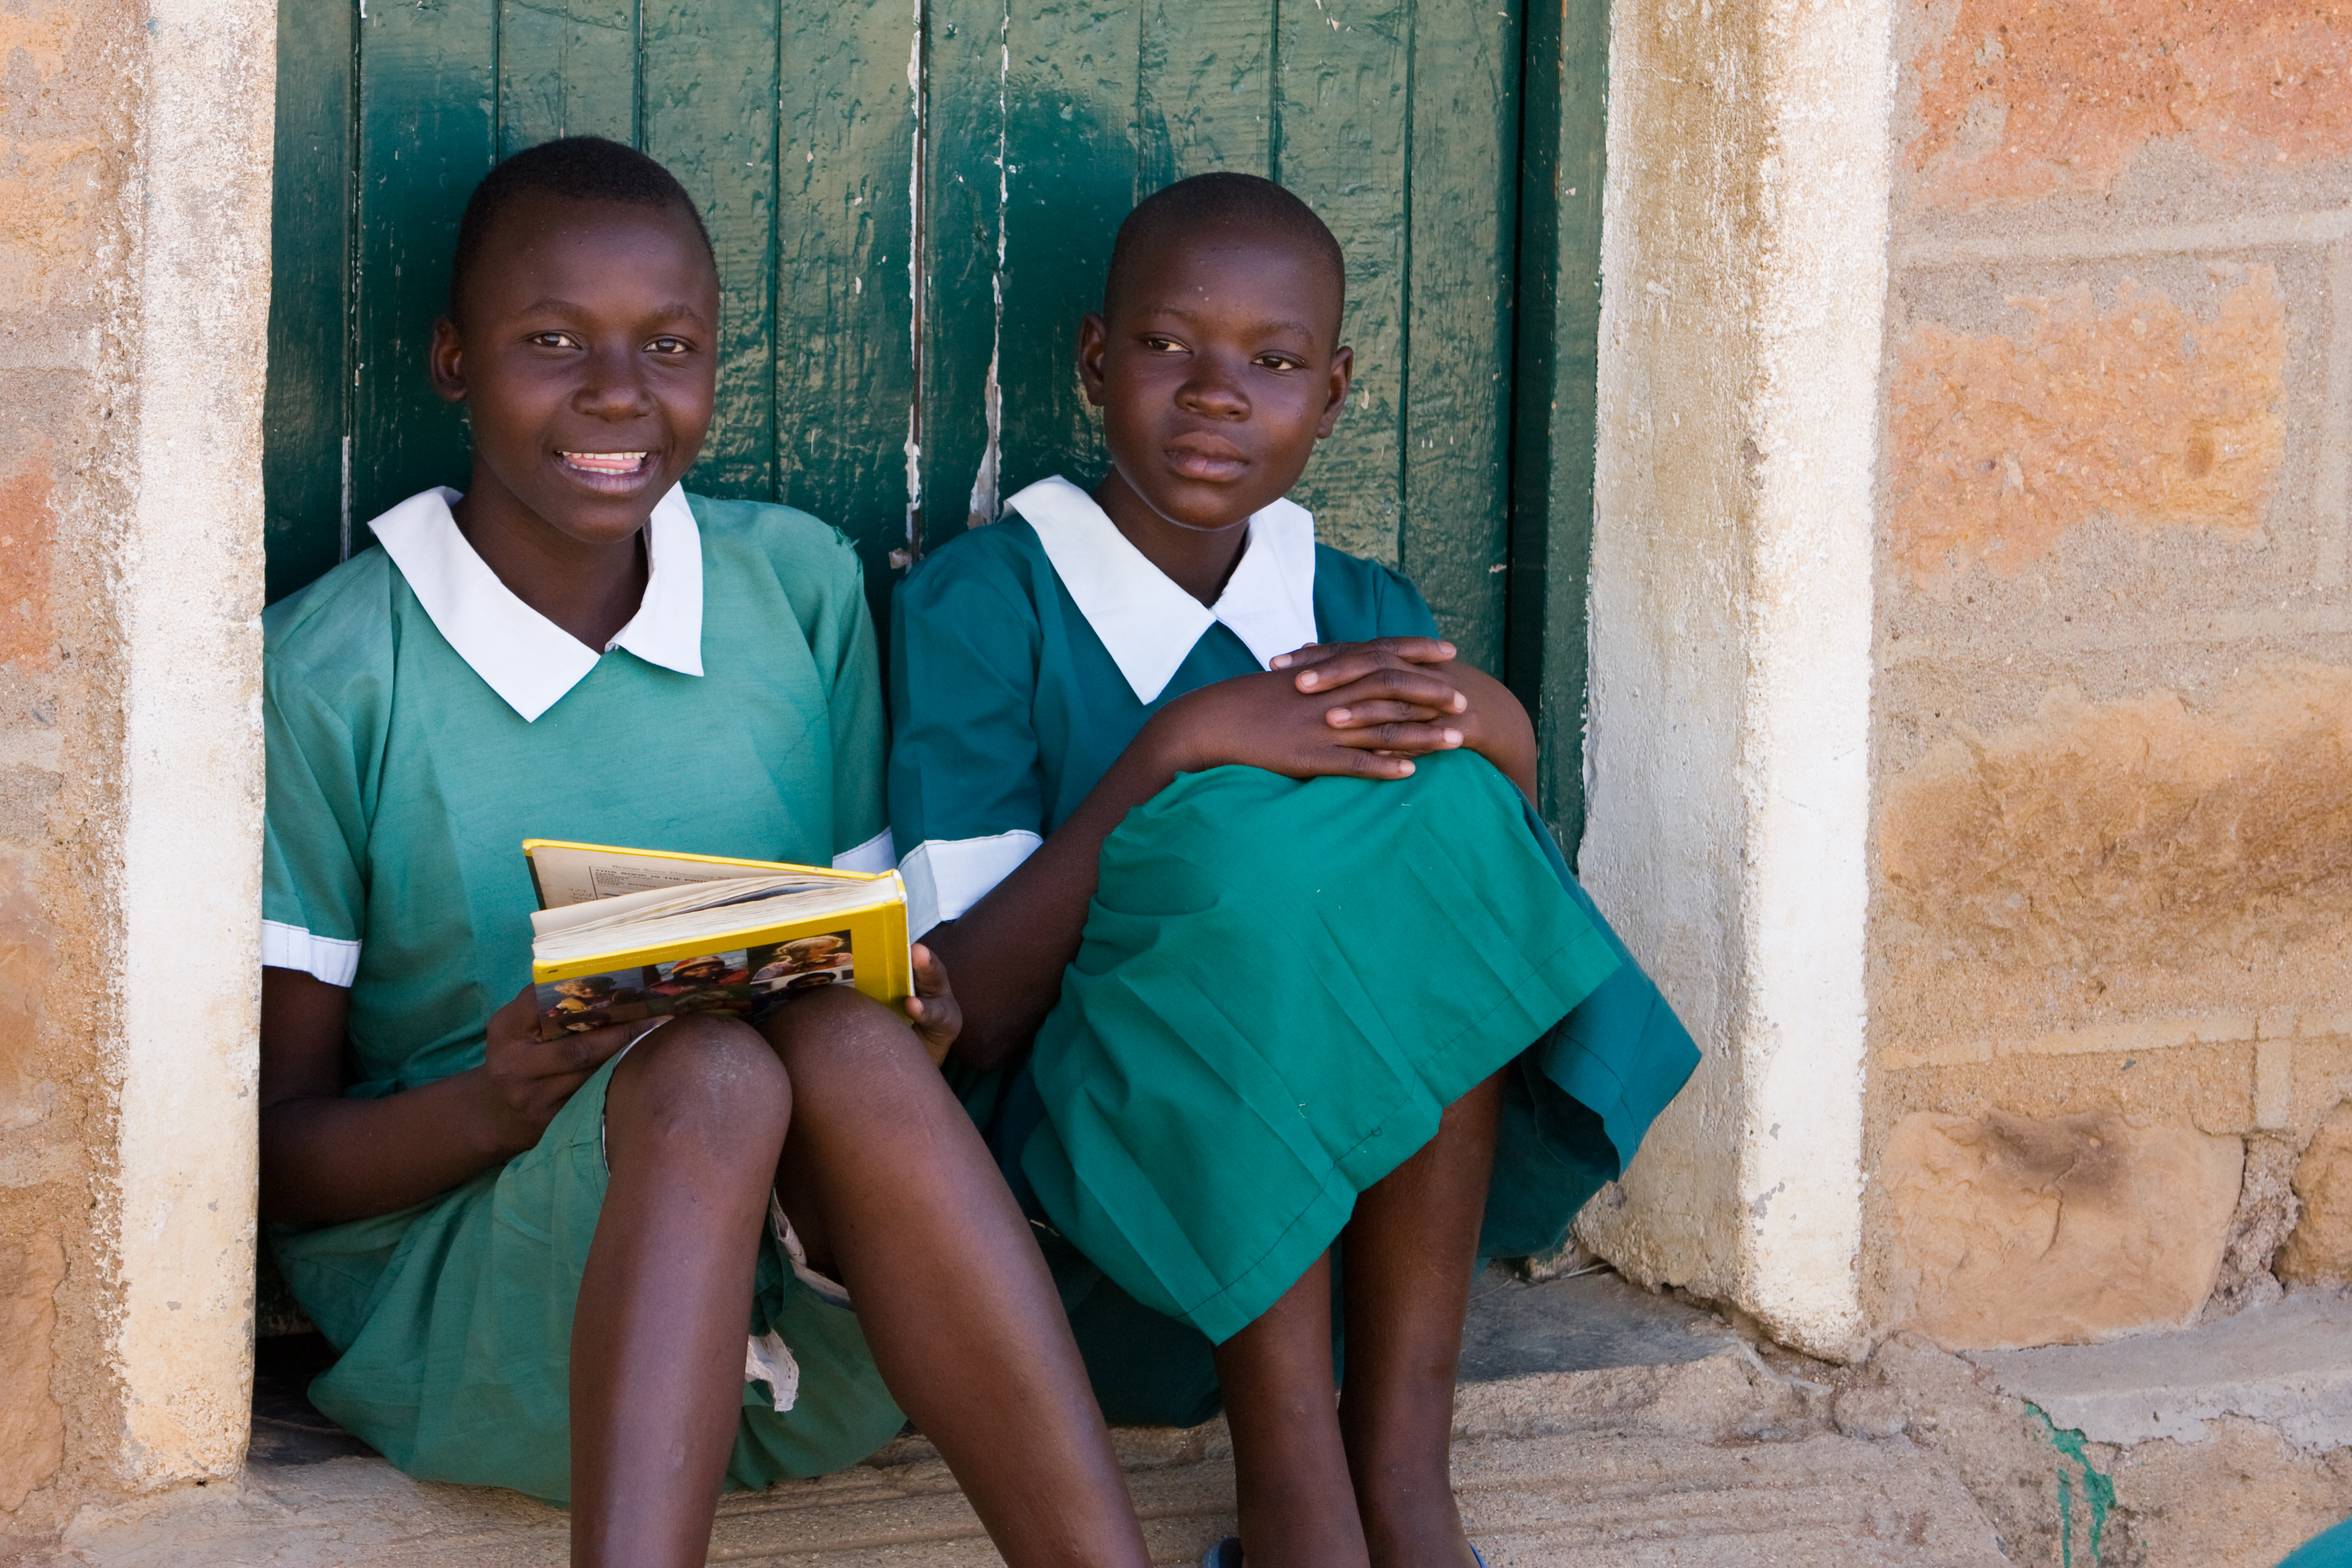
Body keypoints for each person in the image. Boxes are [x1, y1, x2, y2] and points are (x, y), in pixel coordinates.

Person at [258, 136, 1153, 1568]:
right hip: (490, 1313)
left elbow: (863, 973)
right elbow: (273, 1156)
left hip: (800, 1326)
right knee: (711, 1071)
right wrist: (495, 1104)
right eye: (552, 341)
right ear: (450, 361)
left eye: (668, 344)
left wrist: (912, 1018)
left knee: (843, 1046)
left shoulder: (793, 586)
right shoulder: (331, 671)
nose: (618, 392)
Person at [889, 172, 1701, 1568]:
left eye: (1271, 365)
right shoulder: (988, 604)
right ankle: (1294, 1498)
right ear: (1095, 360)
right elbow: (963, 1007)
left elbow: (1478, 913)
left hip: (1364, 1268)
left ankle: (1402, 1464)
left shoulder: (1362, 611)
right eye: (1168, 349)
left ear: (1332, 394)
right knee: (1235, 861)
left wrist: (1494, 726)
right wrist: (1179, 751)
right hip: (1102, 1250)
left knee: (1423, 838)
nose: (1217, 396)